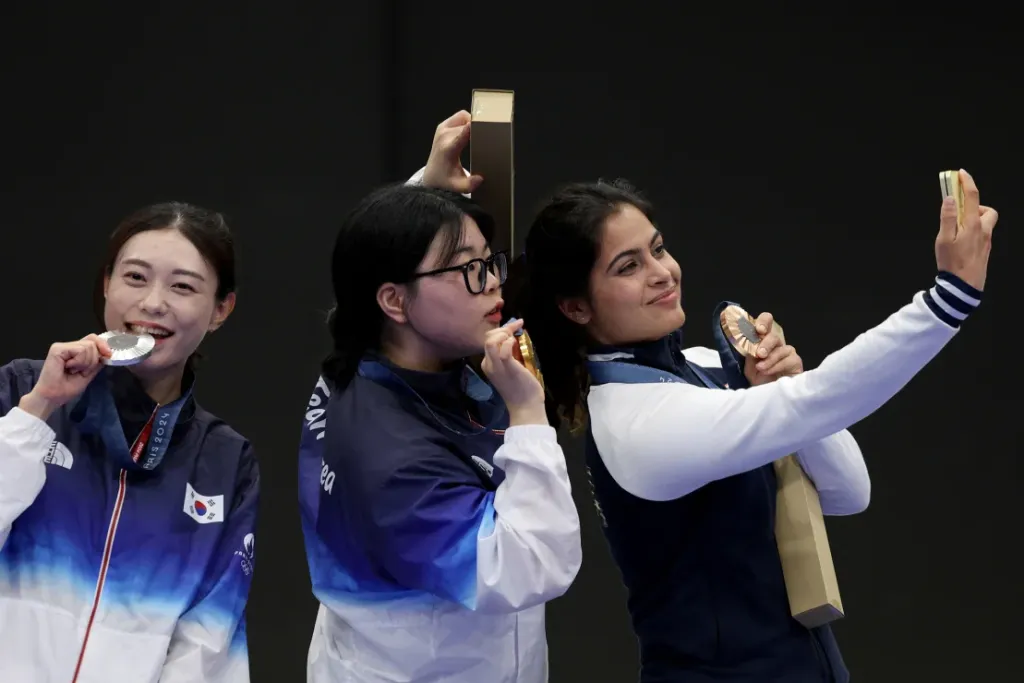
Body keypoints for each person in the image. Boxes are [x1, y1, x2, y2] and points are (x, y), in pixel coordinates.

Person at [509, 169, 997, 682]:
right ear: (576, 306)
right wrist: (948, 300)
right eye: (628, 266)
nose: (662, 272)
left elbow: (850, 490)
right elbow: (816, 402)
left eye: (658, 248)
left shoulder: (702, 368)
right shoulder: (635, 421)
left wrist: (779, 386)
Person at [297, 111, 582, 683]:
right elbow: (528, 567)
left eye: (489, 262)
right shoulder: (388, 455)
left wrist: (426, 187)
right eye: (469, 270)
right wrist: (529, 416)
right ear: (395, 303)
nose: (494, 282)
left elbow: (378, 259)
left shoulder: (373, 344)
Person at [0, 203, 259, 682]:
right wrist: (38, 410)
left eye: (182, 286)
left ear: (221, 309)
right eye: (135, 277)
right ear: (106, 284)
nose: (153, 302)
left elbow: (208, 645)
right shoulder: (21, 391)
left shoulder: (224, 460)